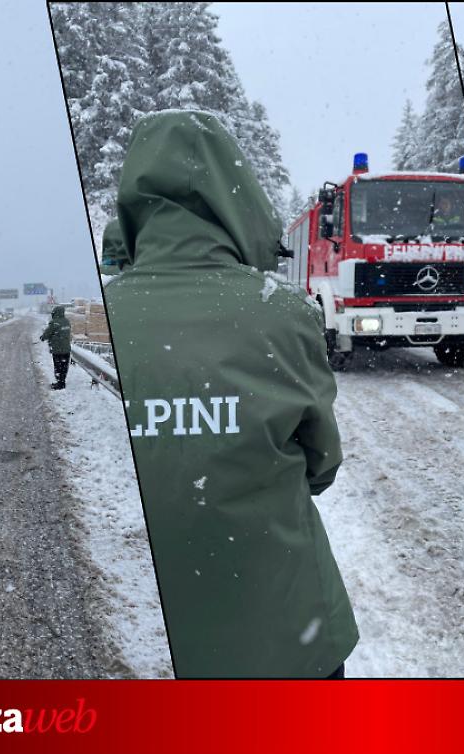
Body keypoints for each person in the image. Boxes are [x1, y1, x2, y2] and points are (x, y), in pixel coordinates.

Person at [107, 111, 357, 679]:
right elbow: (321, 465)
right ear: (235, 198)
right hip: (287, 630)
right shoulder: (281, 312)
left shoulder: (110, 313)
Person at [39, 305, 72, 390]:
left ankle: (59, 383)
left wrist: (43, 337)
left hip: (57, 349)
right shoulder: (67, 321)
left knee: (58, 366)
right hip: (66, 349)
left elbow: (47, 333)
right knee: (64, 367)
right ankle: (62, 382)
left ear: (55, 313)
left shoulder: (54, 323)